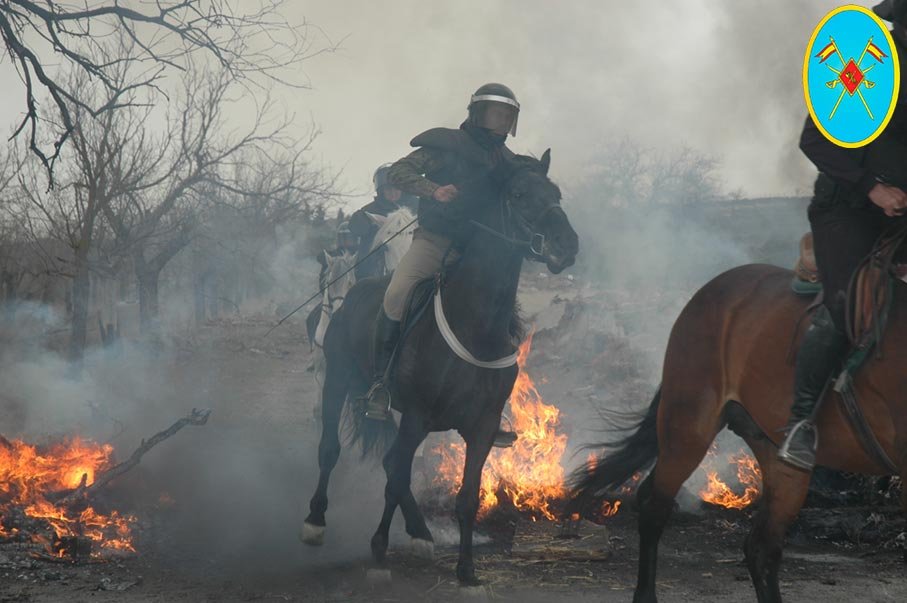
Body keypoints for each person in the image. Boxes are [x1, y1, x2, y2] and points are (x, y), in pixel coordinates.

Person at [778, 0, 907, 470]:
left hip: (903, 211)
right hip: (848, 209)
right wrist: (873, 188)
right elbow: (813, 140)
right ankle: (800, 423)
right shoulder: (869, 63)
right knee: (845, 302)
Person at [362, 82, 521, 426]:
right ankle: (380, 385)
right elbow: (398, 173)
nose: (502, 121)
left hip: (478, 253)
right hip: (434, 242)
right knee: (397, 294)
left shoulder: (508, 161)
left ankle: (496, 406)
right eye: (496, 113)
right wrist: (434, 190)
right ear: (478, 114)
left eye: (507, 115)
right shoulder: (447, 145)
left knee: (504, 316)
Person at [348, 164, 406, 280]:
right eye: (388, 189)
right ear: (381, 191)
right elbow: (355, 226)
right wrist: (370, 227)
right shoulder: (369, 210)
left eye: (396, 188)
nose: (393, 192)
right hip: (373, 266)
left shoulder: (414, 206)